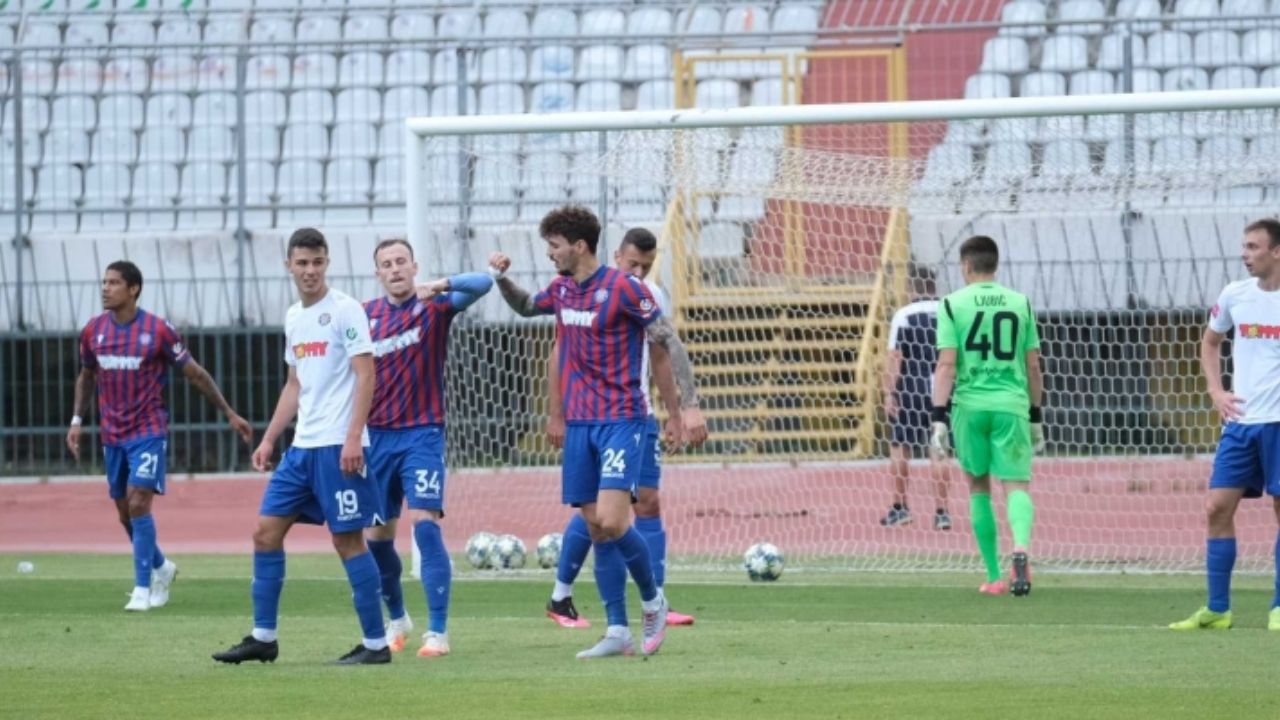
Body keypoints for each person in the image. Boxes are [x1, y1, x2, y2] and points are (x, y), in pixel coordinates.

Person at [490, 205, 702, 658]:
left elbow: (668, 341)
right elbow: (526, 306)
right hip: (580, 425)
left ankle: (653, 600)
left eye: (554, 246)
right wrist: (500, 278)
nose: (550, 254)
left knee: (612, 519)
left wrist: (688, 406)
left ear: (579, 246)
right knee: (596, 528)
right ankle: (617, 630)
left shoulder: (624, 288)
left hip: (622, 419)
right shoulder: (562, 289)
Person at [212, 228, 389, 665]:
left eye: (317, 262)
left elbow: (366, 374)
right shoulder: (294, 317)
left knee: (347, 542)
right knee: (265, 532)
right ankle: (263, 638)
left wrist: (353, 436)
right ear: (288, 266)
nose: (310, 270)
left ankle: (375, 645)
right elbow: (295, 384)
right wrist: (270, 437)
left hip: (338, 446)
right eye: (302, 263)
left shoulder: (345, 310)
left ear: (327, 263)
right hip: (302, 449)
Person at [539, 227, 708, 630]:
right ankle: (566, 594)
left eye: (646, 266)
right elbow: (559, 351)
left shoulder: (649, 295)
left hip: (635, 415)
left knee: (645, 502)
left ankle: (653, 600)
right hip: (593, 417)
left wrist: (674, 413)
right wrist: (556, 413)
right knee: (601, 512)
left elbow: (661, 356)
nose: (639, 272)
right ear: (616, 256)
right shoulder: (581, 290)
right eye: (632, 263)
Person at [67, 260, 253, 612]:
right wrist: (77, 419)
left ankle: (142, 588)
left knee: (139, 502)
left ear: (133, 289)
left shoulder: (158, 330)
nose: (105, 288)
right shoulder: (93, 330)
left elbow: (195, 374)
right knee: (125, 513)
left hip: (148, 430)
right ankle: (161, 567)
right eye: (104, 282)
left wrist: (229, 412)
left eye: (113, 282)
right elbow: (87, 375)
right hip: (112, 433)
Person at [362, 238, 493, 657]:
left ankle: (437, 631)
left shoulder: (433, 307)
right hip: (375, 438)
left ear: (414, 266)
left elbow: (483, 283)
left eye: (401, 261)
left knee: (424, 523)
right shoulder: (364, 315)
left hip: (422, 433)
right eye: (387, 264)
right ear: (377, 273)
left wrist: (438, 285)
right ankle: (398, 618)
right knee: (376, 539)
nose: (395, 269)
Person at [1171, 218, 1280, 631]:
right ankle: (1218, 609)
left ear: (1276, 252)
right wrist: (1216, 391)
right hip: (1241, 423)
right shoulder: (1236, 294)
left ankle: (1279, 606)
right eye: (1244, 246)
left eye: (1253, 247)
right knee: (1216, 507)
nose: (1245, 254)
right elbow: (1210, 341)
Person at [930, 235, 1044, 597]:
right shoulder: (1020, 303)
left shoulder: (952, 304)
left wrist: (938, 417)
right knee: (1016, 486)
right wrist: (1036, 415)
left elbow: (946, 365)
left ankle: (994, 576)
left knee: (978, 487)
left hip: (970, 407)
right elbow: (1033, 366)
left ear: (966, 266)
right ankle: (1021, 548)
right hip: (1011, 404)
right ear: (995, 265)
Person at [880, 265, 954, 530]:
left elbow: (895, 357)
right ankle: (942, 512)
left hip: (911, 387)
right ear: (934, 287)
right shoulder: (950, 312)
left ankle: (900, 508)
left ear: (912, 287)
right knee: (939, 449)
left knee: (900, 446)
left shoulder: (904, 315)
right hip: (942, 388)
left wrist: (889, 393)